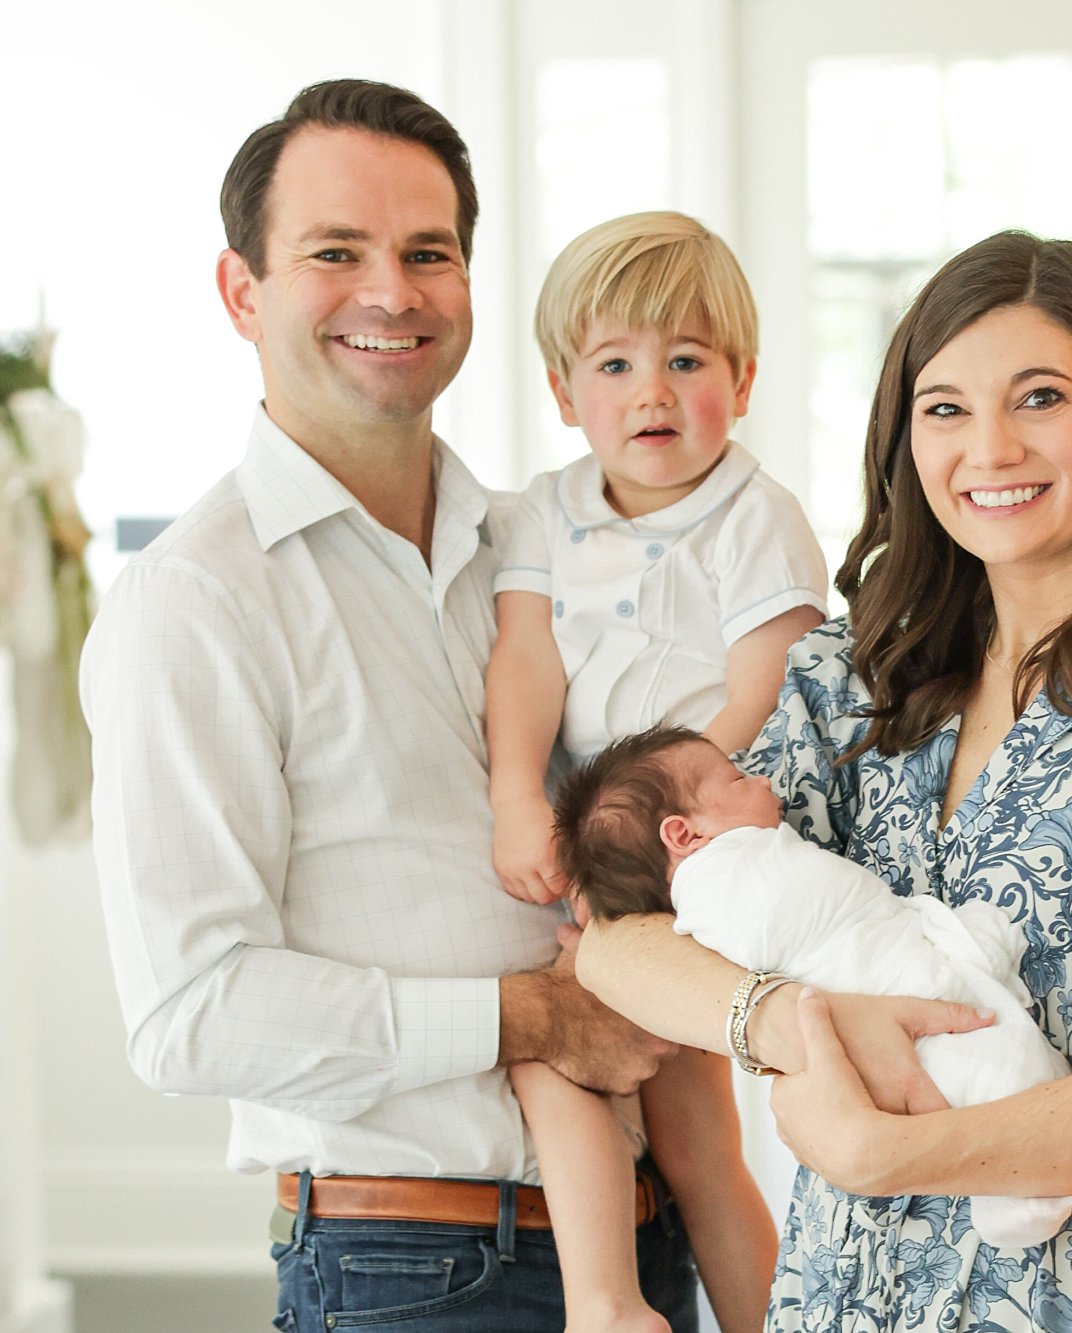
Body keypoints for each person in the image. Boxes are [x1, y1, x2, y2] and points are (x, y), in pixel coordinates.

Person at [78, 79, 986, 1332]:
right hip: (412, 1264)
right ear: (243, 291)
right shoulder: (197, 599)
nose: (390, 291)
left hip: (648, 1226)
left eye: (428, 253)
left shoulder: (543, 538)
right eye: (334, 252)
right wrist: (533, 1015)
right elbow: (189, 1016)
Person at [577, 230, 1072, 1331]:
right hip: (840, 1302)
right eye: (944, 409)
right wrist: (789, 1021)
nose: (989, 447)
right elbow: (622, 938)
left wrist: (893, 1149)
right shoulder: (860, 672)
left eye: (1039, 397)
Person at [487, 211, 823, 1332]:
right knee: (580, 1065)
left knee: (686, 1131)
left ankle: (626, 1306)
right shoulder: (545, 510)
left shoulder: (752, 516)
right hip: (599, 846)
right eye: (615, 365)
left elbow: (759, 692)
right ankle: (612, 1300)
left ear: (742, 377)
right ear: (561, 389)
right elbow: (525, 657)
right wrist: (517, 797)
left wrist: (643, 838)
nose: (652, 393)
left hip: (700, 841)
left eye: (686, 362)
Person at [552, 724, 1072, 1249]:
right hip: (889, 994)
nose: (762, 779)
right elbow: (784, 924)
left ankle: (1025, 1178)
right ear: (684, 835)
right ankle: (1023, 1193)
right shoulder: (725, 883)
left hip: (893, 974)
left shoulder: (721, 877)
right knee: (992, 1064)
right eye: (738, 778)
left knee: (1000, 1061)